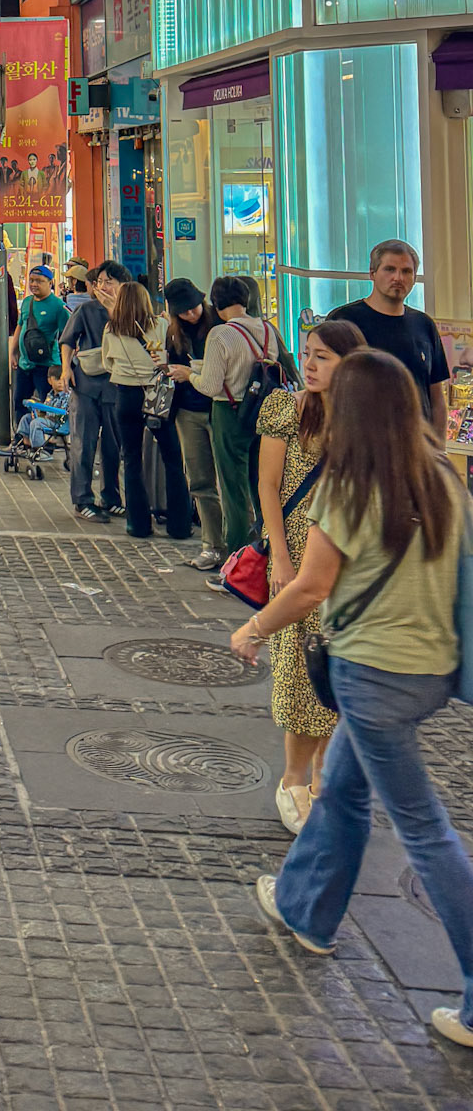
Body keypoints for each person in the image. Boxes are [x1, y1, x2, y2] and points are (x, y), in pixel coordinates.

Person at [234, 349, 473, 1052]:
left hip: (372, 677)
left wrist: (253, 626)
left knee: (426, 833)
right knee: (340, 790)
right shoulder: (444, 481)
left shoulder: (350, 485)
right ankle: (305, 907)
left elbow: (310, 586)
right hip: (431, 671)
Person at [255, 319, 364, 834]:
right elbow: (269, 487)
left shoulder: (365, 418)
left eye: (323, 356)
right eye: (308, 353)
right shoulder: (287, 407)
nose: (312, 363)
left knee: (341, 671)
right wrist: (279, 556)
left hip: (348, 558)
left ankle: (325, 780)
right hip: (299, 552)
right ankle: (293, 780)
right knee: (302, 673)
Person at [175, 275, 286, 567]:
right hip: (262, 411)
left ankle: (238, 560)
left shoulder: (221, 334)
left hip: (230, 411)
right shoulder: (266, 329)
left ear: (216, 303)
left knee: (232, 488)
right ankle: (267, 551)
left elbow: (211, 385)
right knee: (262, 483)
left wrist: (190, 375)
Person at [102, 280, 192, 542]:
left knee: (131, 459)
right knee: (172, 458)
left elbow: (107, 362)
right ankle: (179, 525)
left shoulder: (111, 329)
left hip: (126, 395)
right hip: (157, 394)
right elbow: (170, 355)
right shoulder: (161, 325)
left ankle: (138, 524)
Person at [327, 239, 450, 429]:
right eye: (390, 269)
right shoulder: (343, 321)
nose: (398, 278)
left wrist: (438, 452)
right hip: (361, 446)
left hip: (417, 448)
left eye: (406, 271)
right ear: (372, 274)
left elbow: (436, 399)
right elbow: (326, 390)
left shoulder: (424, 325)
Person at [58, 261, 129, 521]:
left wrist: (114, 311)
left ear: (123, 285)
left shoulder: (130, 312)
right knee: (83, 443)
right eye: (100, 282)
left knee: (113, 446)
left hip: (117, 386)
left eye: (109, 281)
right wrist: (66, 370)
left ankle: (111, 498)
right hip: (86, 383)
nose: (103, 287)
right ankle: (82, 499)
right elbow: (67, 340)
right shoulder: (86, 310)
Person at [162, 280, 224, 570]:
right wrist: (167, 367)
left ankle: (240, 545)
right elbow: (172, 367)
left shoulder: (219, 327)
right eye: (183, 312)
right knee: (200, 480)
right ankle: (211, 545)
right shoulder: (174, 333)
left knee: (229, 481)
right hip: (187, 411)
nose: (190, 315)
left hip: (220, 409)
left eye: (194, 308)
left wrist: (191, 372)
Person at [11, 265, 68, 423]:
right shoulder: (27, 302)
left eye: (39, 281)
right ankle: (22, 440)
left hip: (46, 366)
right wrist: (13, 352)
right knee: (20, 403)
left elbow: (66, 336)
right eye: (32, 280)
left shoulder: (58, 306)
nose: (34, 284)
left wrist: (65, 365)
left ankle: (47, 441)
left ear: (50, 283)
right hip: (24, 364)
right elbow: (20, 326)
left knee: (47, 405)